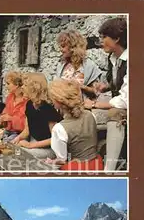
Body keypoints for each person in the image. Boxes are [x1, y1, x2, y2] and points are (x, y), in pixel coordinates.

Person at [83, 17, 128, 171]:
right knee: (85, 113)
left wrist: (95, 104)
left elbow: (126, 99)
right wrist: (105, 87)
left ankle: (109, 168)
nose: (101, 41)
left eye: (104, 37)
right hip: (123, 100)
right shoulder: (114, 58)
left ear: (117, 38)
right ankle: (89, 157)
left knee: (114, 113)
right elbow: (117, 82)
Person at [46, 79, 103, 170]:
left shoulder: (59, 128)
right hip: (96, 164)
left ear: (57, 102)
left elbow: (62, 160)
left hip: (76, 169)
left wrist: (51, 162)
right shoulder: (90, 115)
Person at [12, 73, 62, 159]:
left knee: (21, 155)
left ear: (34, 88)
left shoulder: (48, 109)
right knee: (13, 150)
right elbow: (27, 131)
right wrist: (16, 139)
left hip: (49, 149)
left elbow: (55, 139)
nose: (22, 87)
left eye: (25, 85)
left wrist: (31, 145)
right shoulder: (29, 104)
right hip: (34, 143)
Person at [55, 30, 102, 100]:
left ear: (73, 47)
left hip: (81, 107)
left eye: (63, 46)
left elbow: (97, 92)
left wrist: (82, 87)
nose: (60, 50)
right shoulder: (61, 65)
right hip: (62, 107)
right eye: (60, 47)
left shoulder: (88, 66)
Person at [0, 71, 28, 142]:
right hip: (8, 131)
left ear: (17, 84)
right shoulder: (10, 97)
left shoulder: (26, 101)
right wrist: (2, 118)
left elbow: (25, 125)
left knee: (5, 144)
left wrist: (10, 118)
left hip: (20, 133)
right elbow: (5, 113)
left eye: (8, 84)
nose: (6, 86)